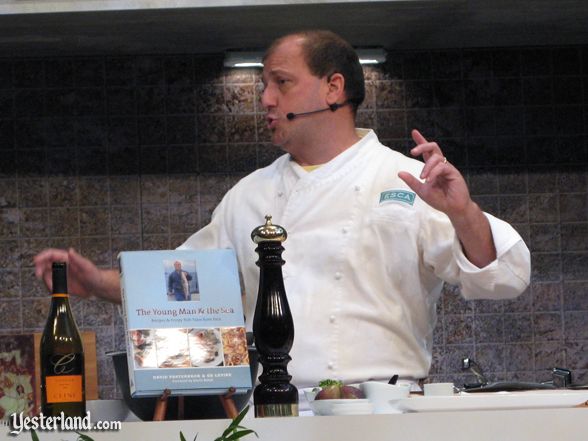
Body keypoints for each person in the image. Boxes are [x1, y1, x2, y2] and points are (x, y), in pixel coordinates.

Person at [34, 30, 530, 391]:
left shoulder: (405, 180)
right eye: (263, 86)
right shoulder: (249, 194)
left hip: (381, 409)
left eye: (281, 83)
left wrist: (463, 213)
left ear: (333, 89)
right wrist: (95, 282)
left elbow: (504, 278)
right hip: (269, 410)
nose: (266, 99)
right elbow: (184, 286)